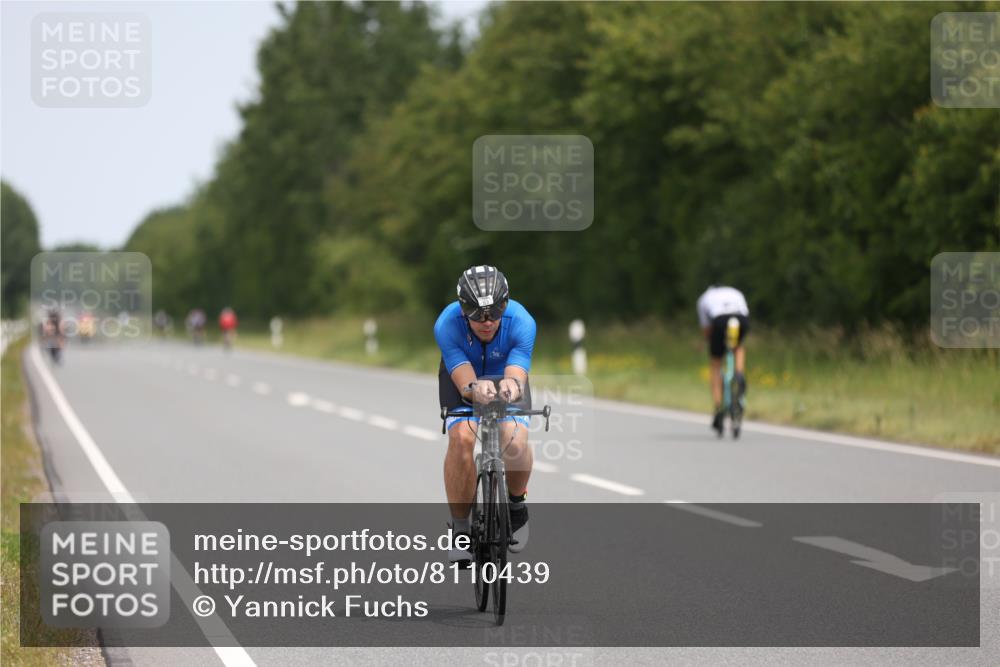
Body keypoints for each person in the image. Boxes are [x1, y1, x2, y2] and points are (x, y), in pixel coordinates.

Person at [435, 265, 536, 566]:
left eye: (494, 312)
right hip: (463, 377)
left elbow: (517, 373)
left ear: (505, 304)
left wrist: (512, 386)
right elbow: (464, 381)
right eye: (478, 315)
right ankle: (461, 529)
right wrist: (473, 389)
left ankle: (516, 505)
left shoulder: (521, 321)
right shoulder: (447, 324)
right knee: (462, 438)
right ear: (463, 310)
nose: (487, 321)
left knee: (515, 443)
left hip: (505, 377)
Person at [696, 285, 750, 434]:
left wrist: (714, 345)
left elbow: (707, 329)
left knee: (716, 363)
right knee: (738, 347)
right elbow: (746, 313)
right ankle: (739, 373)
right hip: (741, 318)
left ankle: (718, 407)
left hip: (720, 319)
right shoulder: (735, 292)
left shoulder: (703, 299)